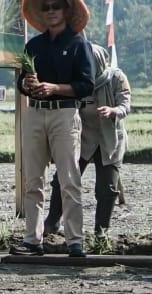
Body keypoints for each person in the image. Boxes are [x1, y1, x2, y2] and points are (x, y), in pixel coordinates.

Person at [12, 0, 95, 258]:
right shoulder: (33, 45)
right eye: (46, 8)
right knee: (32, 180)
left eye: (55, 7)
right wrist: (27, 83)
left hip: (64, 113)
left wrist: (54, 88)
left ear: (66, 11)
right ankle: (32, 241)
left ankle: (75, 241)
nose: (50, 12)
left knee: (69, 179)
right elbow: (22, 82)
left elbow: (86, 85)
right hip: (35, 113)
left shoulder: (78, 44)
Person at [45, 42, 131, 242]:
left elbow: (125, 103)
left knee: (107, 187)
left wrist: (113, 111)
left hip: (110, 138)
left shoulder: (116, 78)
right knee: (62, 179)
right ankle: (52, 221)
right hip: (83, 136)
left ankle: (101, 231)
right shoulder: (78, 81)